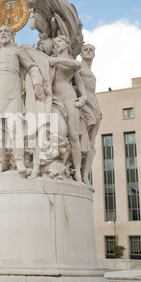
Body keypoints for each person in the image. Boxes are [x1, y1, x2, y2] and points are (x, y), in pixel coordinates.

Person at [0, 25, 45, 174]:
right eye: (0, 31)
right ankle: (1, 163)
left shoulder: (17, 51)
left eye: (6, 31)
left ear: (12, 34)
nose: (3, 34)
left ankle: (19, 161)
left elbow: (32, 67)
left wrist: (37, 83)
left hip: (13, 88)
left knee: (15, 128)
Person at [50, 35, 87, 183]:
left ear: (67, 44)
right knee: (56, 132)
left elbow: (78, 77)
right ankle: (57, 163)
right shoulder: (51, 60)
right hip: (54, 100)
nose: (57, 44)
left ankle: (77, 171)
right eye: (55, 43)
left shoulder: (67, 61)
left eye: (59, 42)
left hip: (69, 98)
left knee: (73, 134)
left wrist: (84, 96)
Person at [79, 44, 102, 185]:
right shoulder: (79, 68)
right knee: (84, 141)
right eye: (85, 49)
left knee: (92, 144)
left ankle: (85, 174)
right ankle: (79, 172)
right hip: (85, 106)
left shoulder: (91, 72)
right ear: (81, 53)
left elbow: (93, 92)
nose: (88, 51)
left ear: (94, 54)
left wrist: (99, 108)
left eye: (91, 50)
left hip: (94, 106)